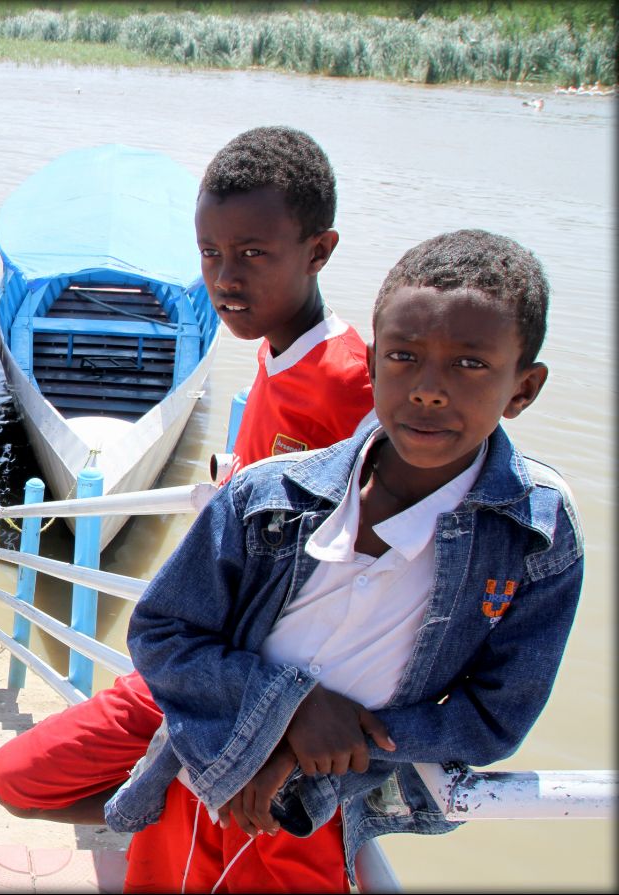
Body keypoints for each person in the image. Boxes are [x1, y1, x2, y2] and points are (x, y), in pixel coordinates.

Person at [106, 229, 583, 893]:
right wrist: (289, 710)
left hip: (316, 818)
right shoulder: (266, 494)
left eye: (469, 364)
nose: (428, 389)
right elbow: (161, 631)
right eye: (404, 356)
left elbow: (492, 718)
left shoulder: (536, 532)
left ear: (523, 388)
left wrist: (311, 758)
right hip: (198, 772)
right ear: (373, 363)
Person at [0, 126, 374, 846]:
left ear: (319, 251)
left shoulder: (353, 383)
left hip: (248, 674)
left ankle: (189, 792)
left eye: (254, 254)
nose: (225, 278)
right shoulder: (277, 353)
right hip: (205, 656)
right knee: (17, 778)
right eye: (209, 254)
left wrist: (289, 714)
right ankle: (184, 792)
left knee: (24, 778)